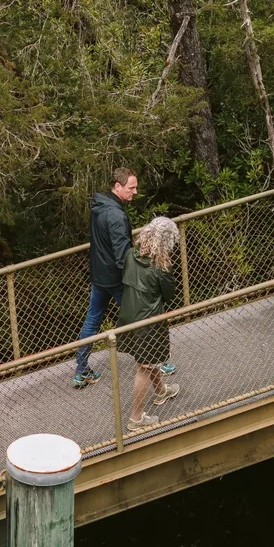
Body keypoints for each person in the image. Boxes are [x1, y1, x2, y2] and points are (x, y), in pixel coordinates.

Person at [75, 168, 162, 389]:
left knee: (92, 320)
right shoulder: (116, 215)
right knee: (142, 318)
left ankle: (81, 370)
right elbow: (122, 253)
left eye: (136, 187)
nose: (135, 192)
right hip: (116, 278)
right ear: (118, 186)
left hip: (99, 276)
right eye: (131, 188)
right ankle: (157, 362)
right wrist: (138, 273)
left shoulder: (100, 206)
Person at [116, 217, 182, 431]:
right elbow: (170, 294)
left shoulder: (129, 254)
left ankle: (162, 390)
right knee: (144, 367)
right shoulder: (160, 267)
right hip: (149, 322)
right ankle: (136, 418)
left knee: (146, 361)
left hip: (129, 315)